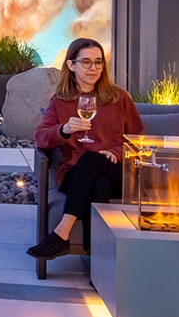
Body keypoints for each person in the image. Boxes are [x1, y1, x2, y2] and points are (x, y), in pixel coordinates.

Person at [27, 38, 138, 259]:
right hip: (74, 175)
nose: (93, 68)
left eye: (98, 62)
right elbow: (40, 137)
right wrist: (64, 130)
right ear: (71, 65)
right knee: (98, 182)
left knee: (92, 160)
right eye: (86, 62)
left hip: (118, 171)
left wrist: (115, 152)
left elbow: (138, 139)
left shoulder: (119, 98)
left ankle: (61, 234)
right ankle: (96, 257)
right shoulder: (60, 101)